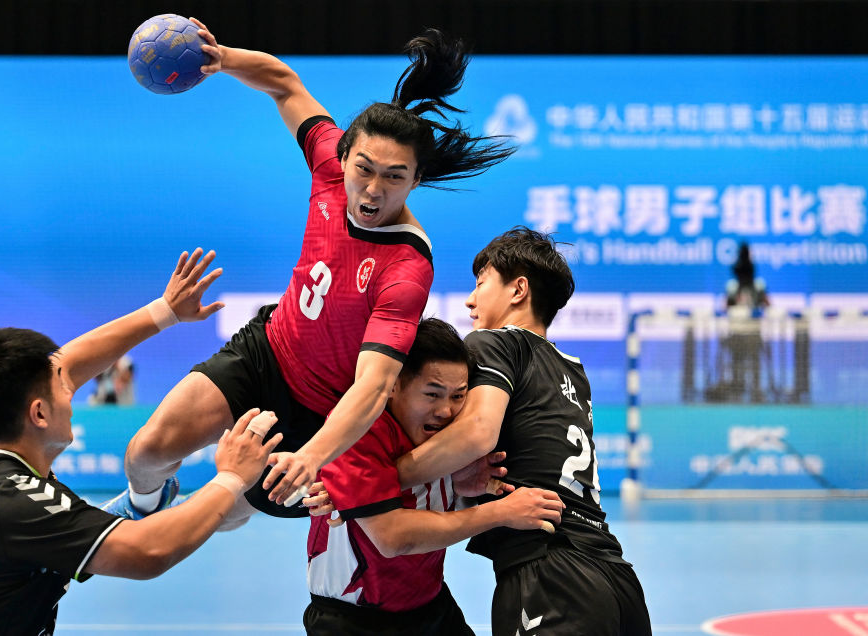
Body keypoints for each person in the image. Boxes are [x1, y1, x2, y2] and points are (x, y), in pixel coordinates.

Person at [105, 21, 515, 524]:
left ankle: (235, 499)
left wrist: (312, 456)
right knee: (145, 453)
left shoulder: (406, 268)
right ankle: (144, 502)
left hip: (321, 413)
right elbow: (284, 83)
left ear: (416, 179)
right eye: (364, 169)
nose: (372, 190)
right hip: (267, 351)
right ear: (343, 157)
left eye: (394, 177)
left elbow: (371, 386)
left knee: (233, 511)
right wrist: (222, 57)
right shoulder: (328, 165)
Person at [0, 249, 283, 635]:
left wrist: (164, 311)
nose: (72, 388)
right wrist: (230, 477)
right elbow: (148, 552)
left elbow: (71, 360)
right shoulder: (15, 502)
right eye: (63, 387)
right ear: (39, 414)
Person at [396, 228, 652, 635]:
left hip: (552, 572)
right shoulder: (571, 370)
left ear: (518, 290)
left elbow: (478, 433)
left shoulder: (495, 343)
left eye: (481, 283)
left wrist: (383, 478)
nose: (470, 299)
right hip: (614, 575)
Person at [303, 318, 564, 635]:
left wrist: (459, 488)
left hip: (431, 607)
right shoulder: (357, 429)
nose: (446, 411)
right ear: (394, 384)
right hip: (352, 620)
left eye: (458, 396)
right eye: (433, 394)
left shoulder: (450, 434)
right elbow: (393, 537)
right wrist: (500, 512)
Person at [724, 241, 769, 402]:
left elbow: (725, 306)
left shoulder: (752, 286)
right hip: (742, 334)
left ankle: (746, 389)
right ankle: (750, 390)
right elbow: (768, 304)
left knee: (742, 360)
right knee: (743, 360)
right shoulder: (736, 286)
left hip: (748, 334)